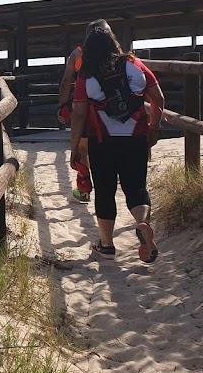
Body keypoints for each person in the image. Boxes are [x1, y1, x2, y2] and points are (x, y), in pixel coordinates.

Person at [69, 19, 164, 263]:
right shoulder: (135, 64)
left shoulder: (86, 76)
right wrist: (154, 128)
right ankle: (142, 223)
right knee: (136, 188)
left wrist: (75, 148)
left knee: (105, 191)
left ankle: (107, 245)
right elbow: (158, 99)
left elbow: (79, 114)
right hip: (136, 139)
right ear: (113, 41)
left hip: (103, 142)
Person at [58, 45, 92, 202]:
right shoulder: (113, 50)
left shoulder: (78, 53)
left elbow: (66, 80)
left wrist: (61, 105)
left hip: (85, 104)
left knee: (82, 148)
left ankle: (84, 190)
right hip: (109, 108)